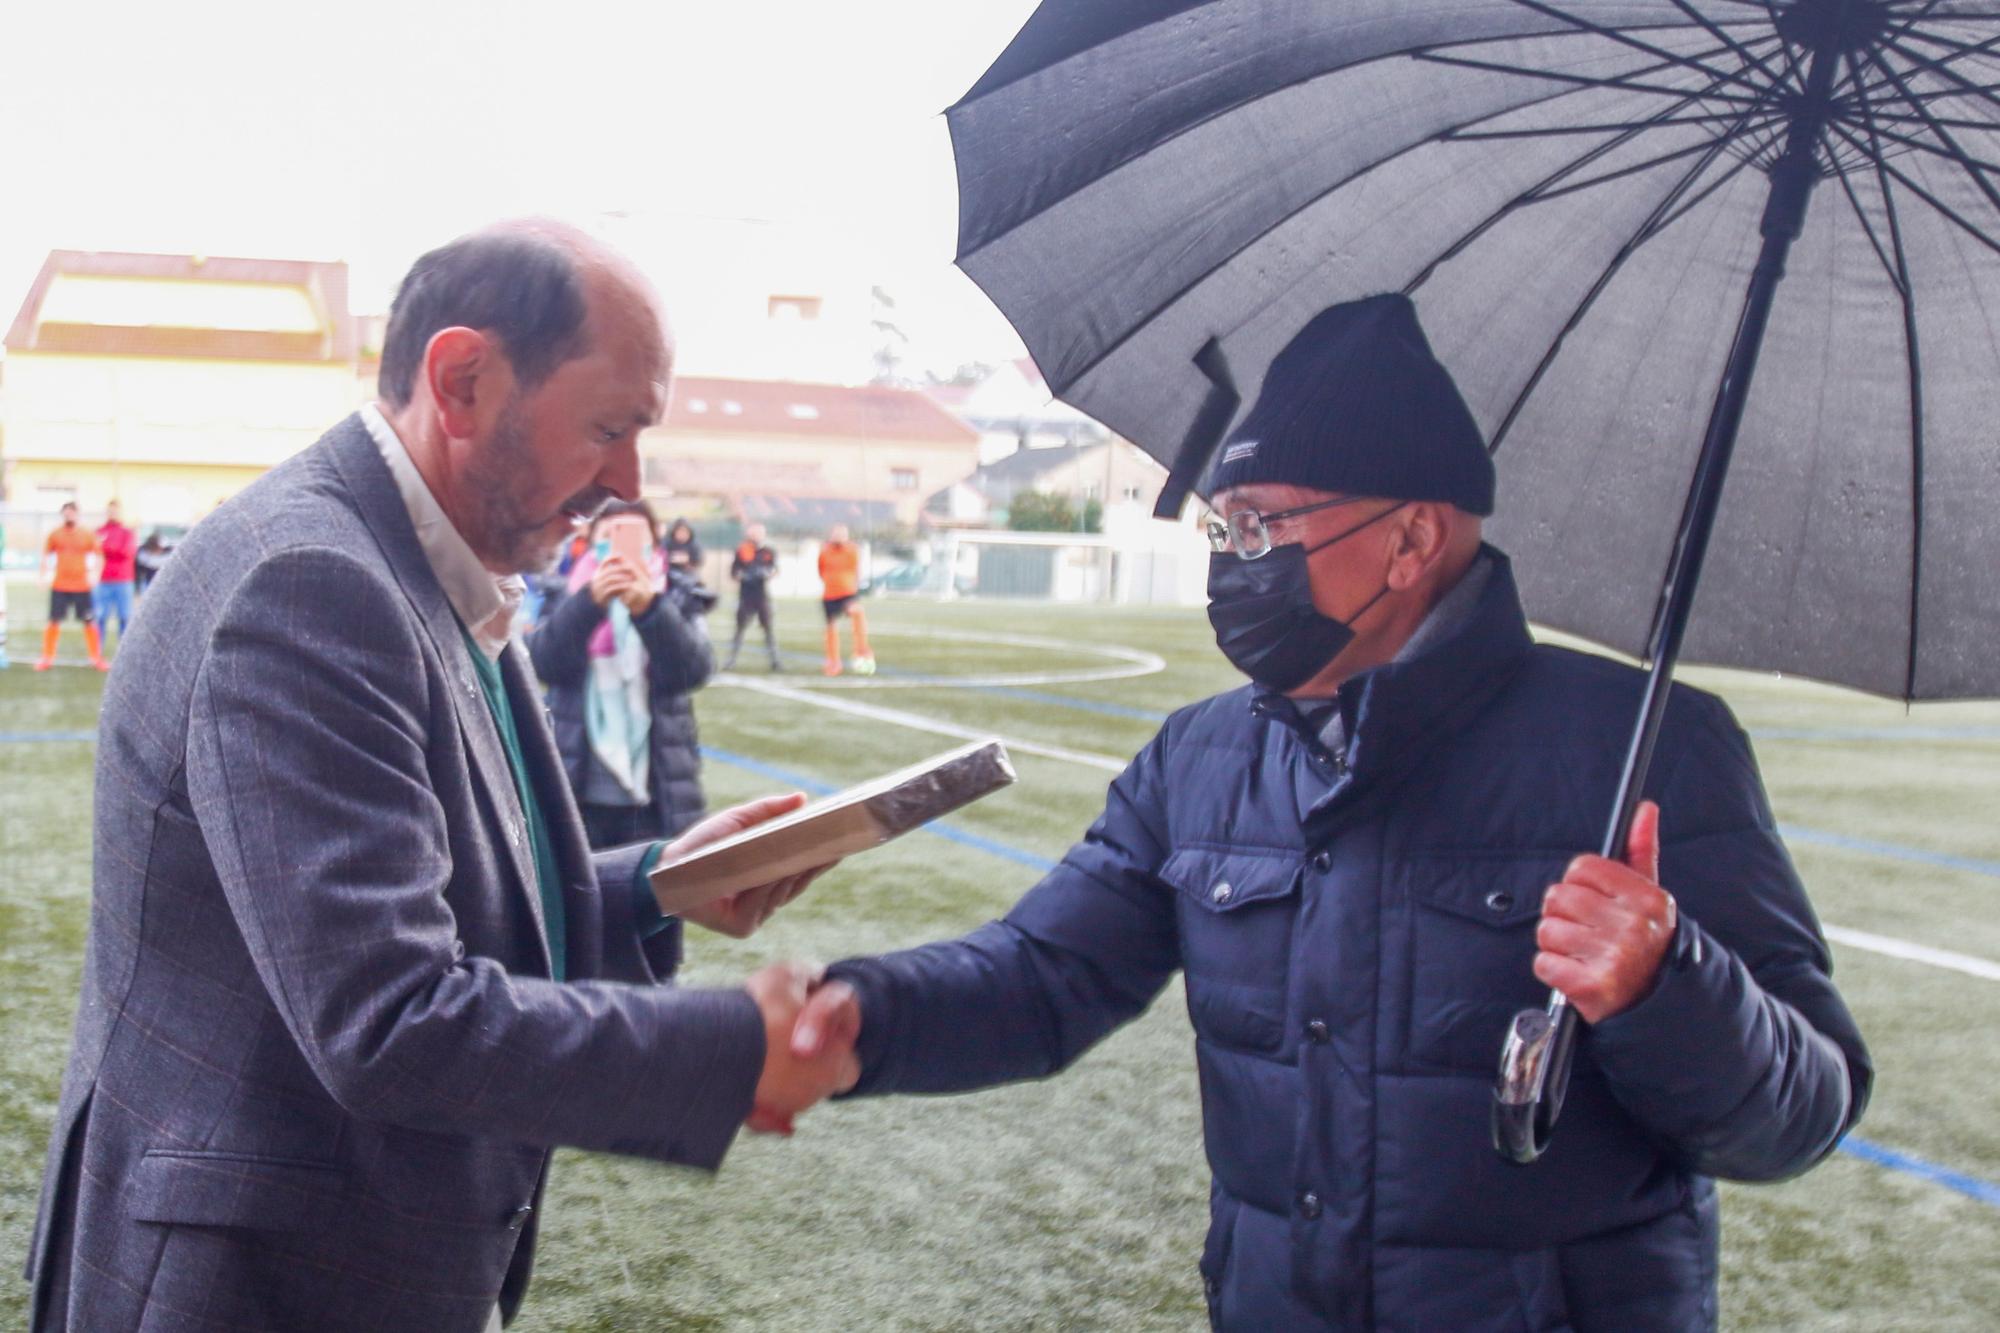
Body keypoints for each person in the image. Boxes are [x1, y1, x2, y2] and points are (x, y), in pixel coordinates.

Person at [791, 295, 1871, 1331]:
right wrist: (856, 1017)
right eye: (1222, 529)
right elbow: (1042, 978)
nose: (1228, 564)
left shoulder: (1647, 748)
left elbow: (1805, 1108)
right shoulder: (1200, 756)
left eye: (1260, 530)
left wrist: (1664, 982)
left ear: (1409, 540)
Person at [26, 222, 859, 1333]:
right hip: (253, 1288)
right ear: (461, 380)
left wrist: (657, 881)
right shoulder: (312, 582)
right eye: (609, 429)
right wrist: (729, 1051)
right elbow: (386, 1014)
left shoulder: (424, 557)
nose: (625, 485)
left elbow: (429, 891)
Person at [530, 499, 714, 849]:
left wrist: (650, 611)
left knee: (658, 899)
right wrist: (589, 604)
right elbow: (544, 663)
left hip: (658, 795)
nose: (620, 546)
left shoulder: (679, 594)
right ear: (593, 539)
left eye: (633, 535)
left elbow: (693, 670)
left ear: (654, 541)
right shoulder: (564, 591)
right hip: (576, 790)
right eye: (610, 535)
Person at [36, 502, 106, 672]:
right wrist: (43, 576)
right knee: (54, 621)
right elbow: (45, 556)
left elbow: (99, 556)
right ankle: (47, 657)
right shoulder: (55, 534)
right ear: (62, 515)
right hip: (60, 585)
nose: (69, 516)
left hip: (81, 586)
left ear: (77, 514)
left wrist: (96, 574)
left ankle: (96, 658)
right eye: (66, 513)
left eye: (72, 513)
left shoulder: (87, 535)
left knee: (89, 622)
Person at [817, 521, 872, 676]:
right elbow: (820, 570)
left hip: (847, 592)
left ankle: (862, 651)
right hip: (829, 594)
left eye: (842, 533)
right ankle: (833, 662)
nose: (839, 536)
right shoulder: (824, 551)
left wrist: (852, 585)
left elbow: (856, 570)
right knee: (831, 627)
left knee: (857, 612)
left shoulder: (852, 550)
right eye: (836, 533)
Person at [725, 521, 781, 671]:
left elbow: (775, 569)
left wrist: (767, 573)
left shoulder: (769, 551)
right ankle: (731, 660)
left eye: (758, 532)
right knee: (740, 628)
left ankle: (775, 660)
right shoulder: (741, 550)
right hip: (746, 596)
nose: (755, 535)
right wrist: (743, 576)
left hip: (762, 595)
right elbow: (734, 572)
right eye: (753, 532)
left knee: (768, 628)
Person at [93, 500, 137, 647]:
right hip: (102, 580)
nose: (112, 513)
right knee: (99, 617)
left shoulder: (127, 532)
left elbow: (127, 552)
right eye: (109, 510)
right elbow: (94, 552)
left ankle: (123, 652)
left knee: (124, 618)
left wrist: (105, 547)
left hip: (123, 580)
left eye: (115, 510)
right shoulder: (99, 531)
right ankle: (97, 652)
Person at [133, 530, 169, 594]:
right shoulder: (143, 554)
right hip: (147, 581)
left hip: (163, 582)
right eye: (158, 547)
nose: (160, 549)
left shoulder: (168, 554)